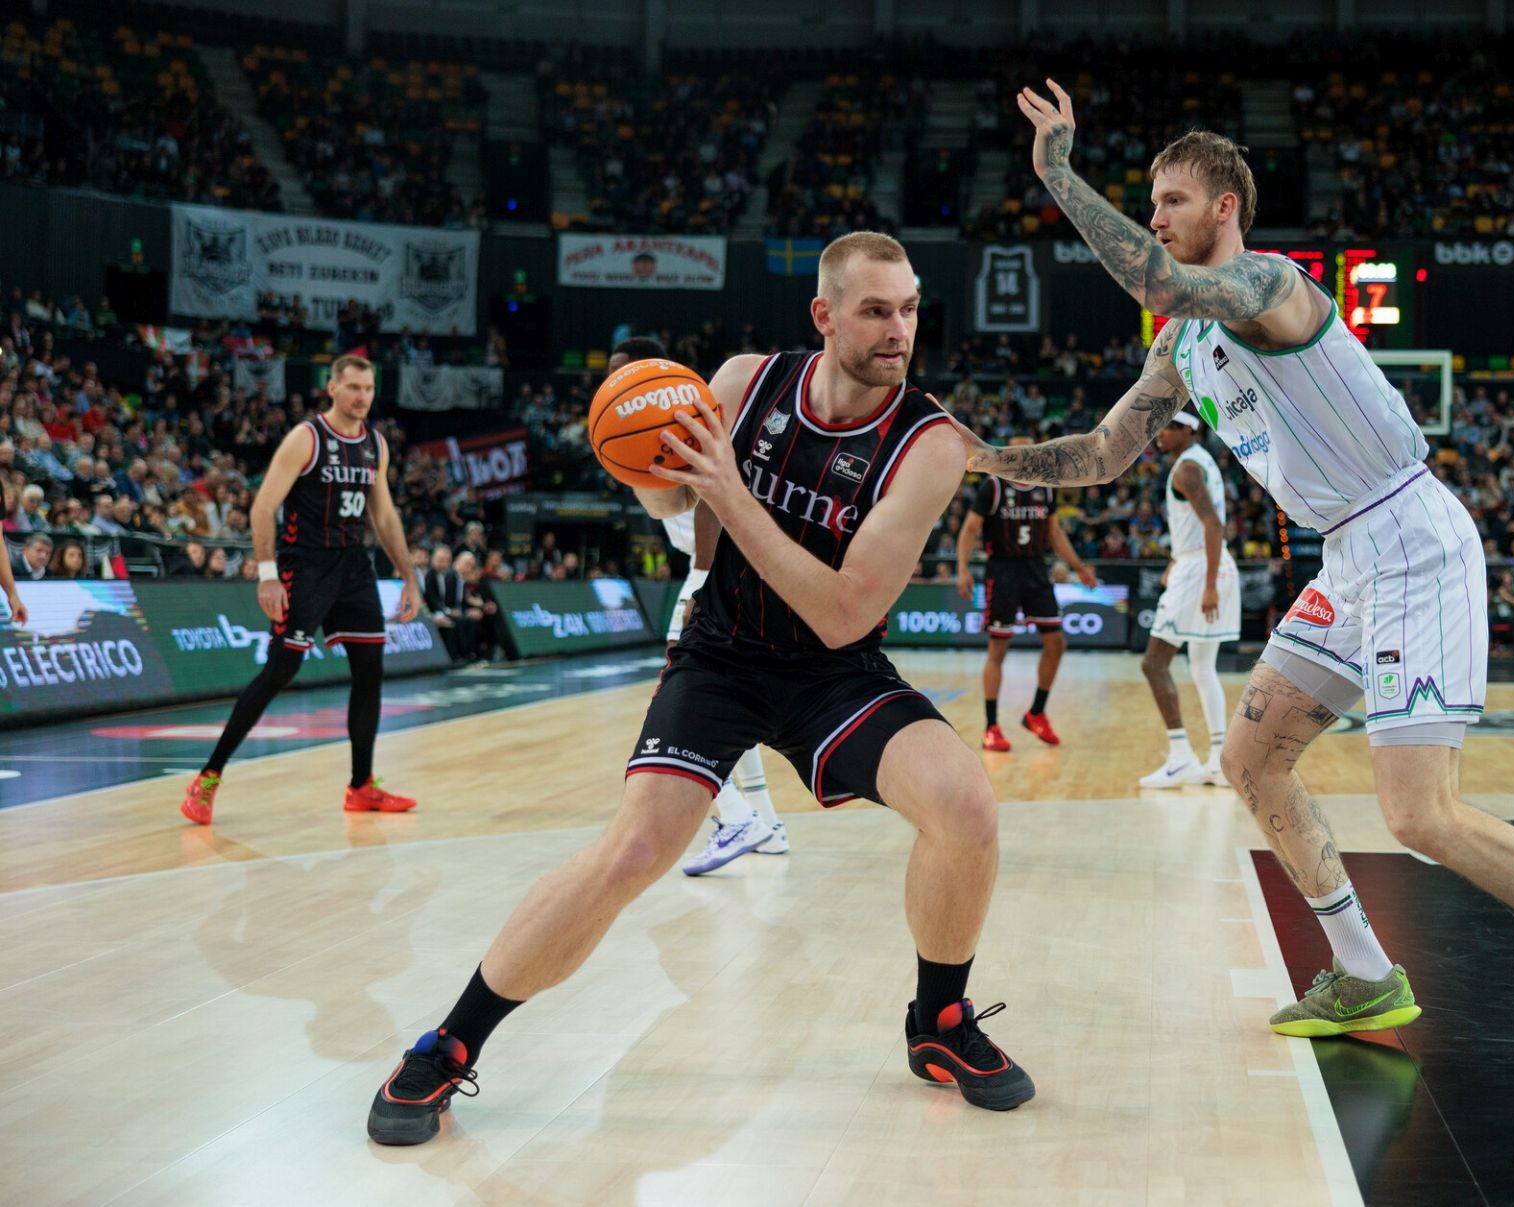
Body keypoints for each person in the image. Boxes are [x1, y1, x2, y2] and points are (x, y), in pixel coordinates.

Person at [967, 89, 1514, 1095]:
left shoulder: (1270, 284)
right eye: (1150, 201)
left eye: (1173, 199)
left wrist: (1058, 172)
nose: (1156, 218)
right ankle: (1364, 972)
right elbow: (1103, 453)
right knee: (1252, 755)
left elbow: (1146, 273)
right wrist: (983, 455)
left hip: (1413, 539)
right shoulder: (1179, 347)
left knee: (1421, 815)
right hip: (1351, 557)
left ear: (1227, 207)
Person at [367, 232, 1033, 1146]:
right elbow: (679, 511)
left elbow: (843, 614)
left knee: (966, 803)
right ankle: (447, 1044)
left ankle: (940, 1022)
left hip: (832, 669)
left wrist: (731, 489)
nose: (899, 329)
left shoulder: (931, 445)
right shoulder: (738, 384)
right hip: (720, 655)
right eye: (877, 309)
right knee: (632, 851)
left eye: (910, 309)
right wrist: (641, 458)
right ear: (825, 314)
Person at [180, 355, 426, 826]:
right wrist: (268, 573)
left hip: (353, 565)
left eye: (369, 389)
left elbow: (386, 516)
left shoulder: (375, 444)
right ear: (331, 388)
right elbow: (263, 506)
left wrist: (409, 576)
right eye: (353, 387)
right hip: (305, 565)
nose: (361, 397)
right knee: (280, 670)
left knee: (370, 671)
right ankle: (207, 777)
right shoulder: (307, 438)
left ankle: (361, 786)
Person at [606, 334, 789, 874]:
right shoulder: (642, 419)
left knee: (682, 696)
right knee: (729, 698)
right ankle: (765, 821)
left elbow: (712, 496)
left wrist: (705, 580)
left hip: (720, 565)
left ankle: (732, 815)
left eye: (622, 372)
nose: (612, 383)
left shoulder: (680, 406)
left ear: (645, 374)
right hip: (726, 562)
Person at [955, 433, 1097, 752]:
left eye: (1028, 450)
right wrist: (962, 569)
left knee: (1056, 642)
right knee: (998, 650)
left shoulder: (1044, 487)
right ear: (1007, 454)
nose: (1023, 454)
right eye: (1017, 450)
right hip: (1002, 570)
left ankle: (1036, 712)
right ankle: (990, 726)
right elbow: (969, 529)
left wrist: (1079, 568)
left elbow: (1055, 534)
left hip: (1035, 568)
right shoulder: (992, 486)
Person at [1136, 411, 1239, 788]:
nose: (1159, 434)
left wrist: (1208, 584)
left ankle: (1181, 757)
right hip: (1201, 563)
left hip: (1201, 571)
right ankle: (1218, 758)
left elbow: (1213, 524)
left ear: (1187, 430)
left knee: (1154, 663)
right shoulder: (1202, 461)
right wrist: (1175, 559)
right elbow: (1200, 526)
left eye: (1167, 427)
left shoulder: (1186, 470)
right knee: (1201, 667)